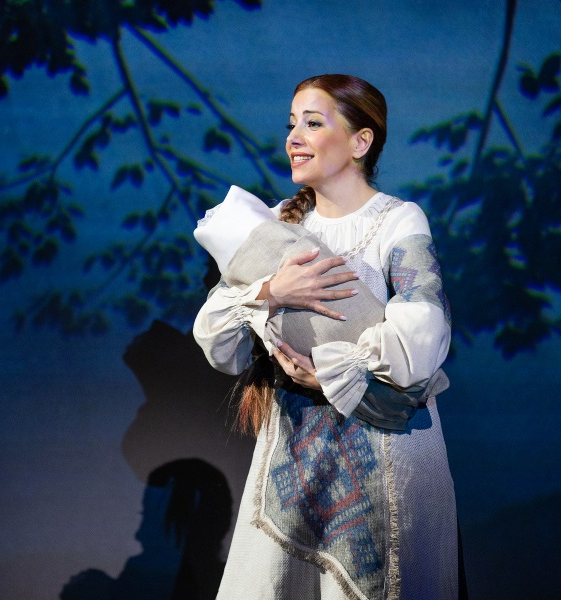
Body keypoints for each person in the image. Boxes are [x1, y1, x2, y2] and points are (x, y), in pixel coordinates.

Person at [193, 74, 462, 599]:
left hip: (387, 455)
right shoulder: (276, 223)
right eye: (291, 124)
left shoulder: (397, 220)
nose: (294, 138)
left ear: (361, 141)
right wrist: (272, 291)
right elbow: (216, 341)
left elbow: (423, 334)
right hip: (293, 460)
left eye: (313, 124)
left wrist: (334, 374)